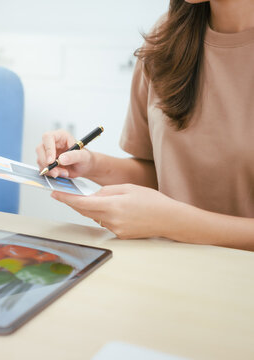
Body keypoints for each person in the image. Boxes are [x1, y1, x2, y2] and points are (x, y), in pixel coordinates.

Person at [36, 0, 254, 251]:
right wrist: (90, 164)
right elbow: (162, 174)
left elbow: (168, 215)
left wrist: (172, 223)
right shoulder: (169, 35)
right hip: (165, 262)